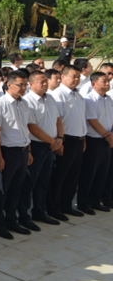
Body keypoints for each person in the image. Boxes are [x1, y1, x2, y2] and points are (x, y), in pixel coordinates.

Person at [0, 70, 33, 240]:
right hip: (7, 152)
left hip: (22, 151)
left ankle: (11, 220)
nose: (23, 88)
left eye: (25, 84)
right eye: (20, 85)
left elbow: (25, 128)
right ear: (9, 85)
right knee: (1, 190)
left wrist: (28, 150)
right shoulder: (0, 104)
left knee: (16, 189)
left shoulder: (24, 103)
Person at [20, 71, 63, 227]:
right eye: (41, 82)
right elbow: (32, 127)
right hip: (36, 146)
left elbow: (57, 119)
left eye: (46, 81)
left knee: (44, 181)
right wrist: (53, 141)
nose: (45, 84)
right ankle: (24, 216)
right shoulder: (27, 101)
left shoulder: (50, 98)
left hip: (51, 146)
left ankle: (40, 212)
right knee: (29, 183)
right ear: (31, 84)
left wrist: (60, 139)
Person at [47, 64, 87, 220]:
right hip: (66, 140)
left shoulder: (78, 95)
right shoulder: (58, 95)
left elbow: (80, 119)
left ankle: (66, 205)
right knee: (60, 176)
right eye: (73, 76)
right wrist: (60, 140)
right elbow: (57, 120)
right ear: (63, 76)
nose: (76, 79)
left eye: (78, 77)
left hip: (78, 139)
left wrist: (83, 138)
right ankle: (54, 208)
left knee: (73, 176)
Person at [78, 71, 113, 214]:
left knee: (102, 173)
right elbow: (93, 121)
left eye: (108, 81)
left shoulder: (108, 99)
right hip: (95, 140)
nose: (107, 83)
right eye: (104, 81)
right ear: (93, 84)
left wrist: (111, 135)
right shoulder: (89, 100)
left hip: (107, 140)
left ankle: (96, 201)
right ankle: (84, 203)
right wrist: (108, 136)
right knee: (89, 172)